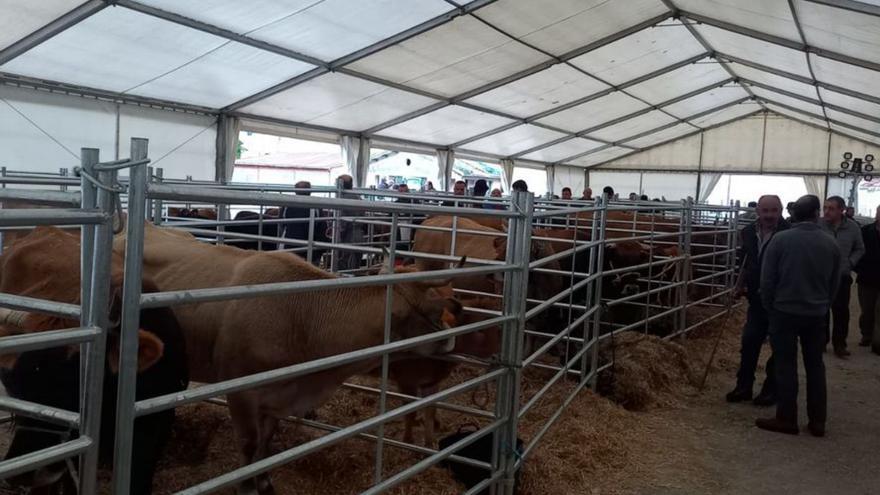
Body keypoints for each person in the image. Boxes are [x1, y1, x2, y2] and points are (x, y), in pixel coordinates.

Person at [757, 194, 840, 437]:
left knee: (785, 365)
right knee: (815, 366)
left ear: (793, 214)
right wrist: (824, 305)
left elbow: (767, 280)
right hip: (816, 314)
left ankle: (786, 418)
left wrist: (771, 307)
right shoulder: (830, 243)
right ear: (816, 214)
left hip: (784, 312)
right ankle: (818, 421)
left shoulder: (780, 240)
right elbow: (834, 284)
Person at [727, 195, 790, 406]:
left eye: (774, 210)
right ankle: (744, 386)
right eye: (766, 210)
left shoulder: (789, 233)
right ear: (758, 212)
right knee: (749, 342)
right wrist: (738, 286)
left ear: (781, 211)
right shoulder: (747, 233)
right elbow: (745, 262)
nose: (770, 215)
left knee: (779, 346)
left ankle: (771, 389)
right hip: (756, 297)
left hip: (780, 300)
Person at [821, 196, 865, 357]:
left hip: (842, 275)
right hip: (821, 275)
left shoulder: (853, 228)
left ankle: (840, 344)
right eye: (825, 207)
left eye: (831, 208)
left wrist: (849, 263)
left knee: (841, 311)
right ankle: (821, 341)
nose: (826, 211)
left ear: (841, 210)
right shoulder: (819, 225)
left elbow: (860, 248)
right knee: (821, 310)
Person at [855, 205, 880, 354]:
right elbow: (857, 249)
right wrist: (858, 268)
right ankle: (866, 334)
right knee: (867, 310)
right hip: (867, 278)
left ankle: (877, 342)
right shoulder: (864, 231)